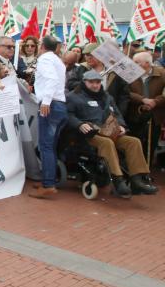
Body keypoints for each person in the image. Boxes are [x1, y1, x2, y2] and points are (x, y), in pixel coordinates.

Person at [66, 70, 158, 198]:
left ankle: (137, 180)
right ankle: (118, 179)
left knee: (133, 141)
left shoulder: (107, 97)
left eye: (97, 82)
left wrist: (121, 125)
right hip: (88, 134)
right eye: (91, 82)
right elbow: (68, 115)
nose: (95, 85)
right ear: (84, 82)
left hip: (109, 131)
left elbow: (117, 114)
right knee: (107, 143)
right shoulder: (73, 97)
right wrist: (79, 124)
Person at [29, 35, 68, 199]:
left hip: (51, 105)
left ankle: (48, 184)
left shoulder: (45, 59)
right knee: (50, 146)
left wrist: (45, 102)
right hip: (58, 104)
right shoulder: (57, 60)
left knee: (46, 145)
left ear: (42, 46)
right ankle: (48, 179)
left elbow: (51, 80)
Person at [67, 43, 130, 117]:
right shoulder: (81, 68)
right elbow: (70, 84)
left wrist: (119, 114)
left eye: (92, 55)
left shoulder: (114, 72)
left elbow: (123, 96)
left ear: (101, 55)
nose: (89, 57)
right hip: (85, 111)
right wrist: (87, 84)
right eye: (87, 55)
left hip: (109, 112)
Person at [128, 51, 165, 171]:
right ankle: (133, 170)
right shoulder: (129, 73)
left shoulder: (162, 73)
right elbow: (125, 92)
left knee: (151, 143)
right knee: (134, 142)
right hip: (134, 113)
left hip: (155, 115)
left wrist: (155, 102)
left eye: (136, 62)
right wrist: (142, 100)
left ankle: (145, 170)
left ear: (147, 63)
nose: (133, 64)